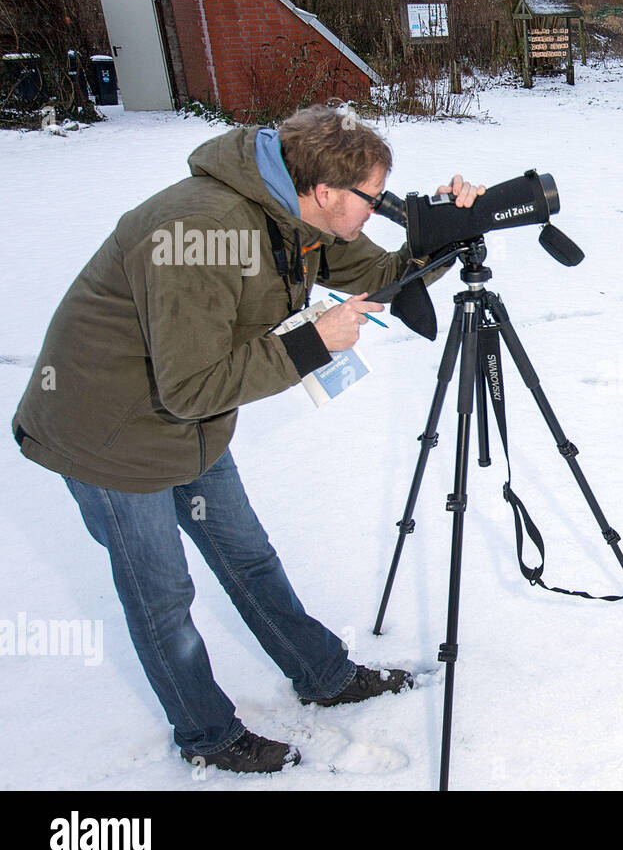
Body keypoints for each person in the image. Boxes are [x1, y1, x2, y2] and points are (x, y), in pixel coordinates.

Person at [12, 105, 484, 774]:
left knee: (247, 555)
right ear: (326, 190)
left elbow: (381, 279)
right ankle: (207, 735)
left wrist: (449, 230)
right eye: (373, 200)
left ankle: (321, 675)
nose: (379, 212)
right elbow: (189, 386)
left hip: (189, 418)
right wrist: (312, 344)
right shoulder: (199, 230)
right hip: (107, 431)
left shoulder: (295, 213)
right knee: (164, 596)